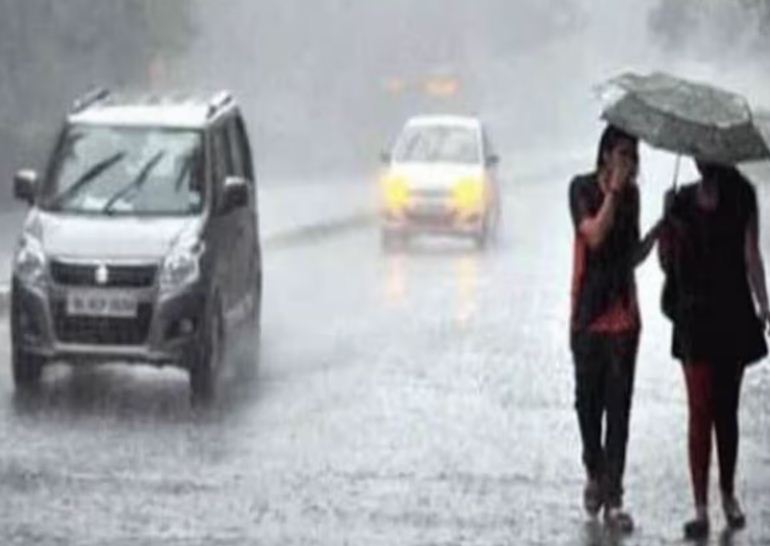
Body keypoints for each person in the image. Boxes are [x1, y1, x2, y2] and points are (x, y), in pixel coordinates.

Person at [659, 160, 769, 540]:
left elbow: (751, 254)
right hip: (692, 318)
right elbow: (665, 263)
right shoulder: (681, 201)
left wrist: (763, 302)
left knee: (726, 411)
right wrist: (666, 220)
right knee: (699, 411)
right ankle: (701, 507)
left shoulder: (742, 196)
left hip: (732, 315)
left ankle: (727, 493)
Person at [568, 125, 661, 532]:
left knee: (619, 408)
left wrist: (657, 232)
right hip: (588, 316)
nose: (629, 162)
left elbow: (630, 255)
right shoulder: (582, 189)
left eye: (633, 155)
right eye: (622, 153)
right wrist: (613, 194)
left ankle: (615, 497)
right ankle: (594, 469)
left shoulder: (633, 197)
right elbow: (593, 236)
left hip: (624, 316)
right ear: (605, 154)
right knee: (587, 404)